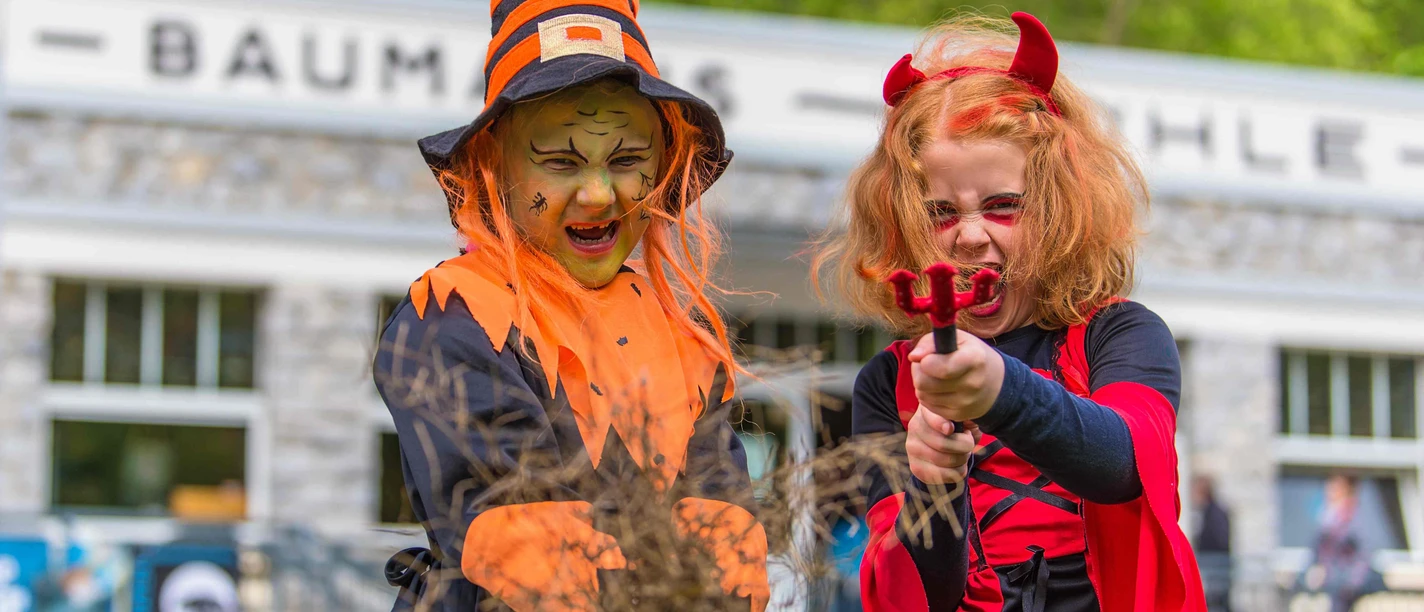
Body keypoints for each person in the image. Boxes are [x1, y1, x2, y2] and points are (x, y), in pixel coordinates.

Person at [371, 1, 768, 610]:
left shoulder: (683, 338)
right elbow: (519, 530)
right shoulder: (456, 316)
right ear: (492, 167)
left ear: (662, 169)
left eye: (628, 160)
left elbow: (724, 529)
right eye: (560, 162)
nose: (598, 193)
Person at [811, 11, 1206, 611]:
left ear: (1061, 211)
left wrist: (1000, 390)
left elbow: (1127, 465)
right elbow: (917, 594)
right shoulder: (890, 382)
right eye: (941, 214)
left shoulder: (1119, 334)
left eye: (1002, 206)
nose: (969, 236)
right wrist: (933, 483)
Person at [1297, 473, 1386, 612]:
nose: (1330, 490)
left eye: (1335, 487)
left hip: (1344, 588)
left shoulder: (1355, 516)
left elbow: (1364, 553)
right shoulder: (1327, 515)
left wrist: (1351, 583)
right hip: (1329, 585)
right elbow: (1318, 549)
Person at [1192, 476, 1232, 611]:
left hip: (1216, 568)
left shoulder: (1215, 513)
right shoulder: (1207, 512)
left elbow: (1220, 540)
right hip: (1214, 567)